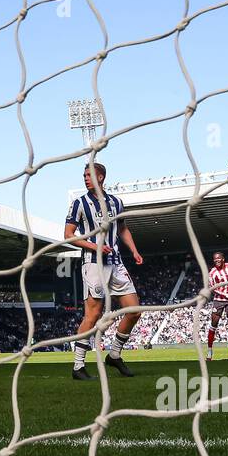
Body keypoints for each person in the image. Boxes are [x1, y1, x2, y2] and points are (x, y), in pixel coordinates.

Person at [64, 162, 144, 380]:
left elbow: (123, 228)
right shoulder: (79, 203)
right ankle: (78, 366)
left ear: (101, 178)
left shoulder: (116, 202)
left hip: (116, 262)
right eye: (84, 176)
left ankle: (115, 354)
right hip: (93, 264)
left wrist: (134, 251)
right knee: (92, 315)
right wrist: (94, 246)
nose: (85, 179)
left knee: (135, 310)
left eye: (89, 175)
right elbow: (69, 234)